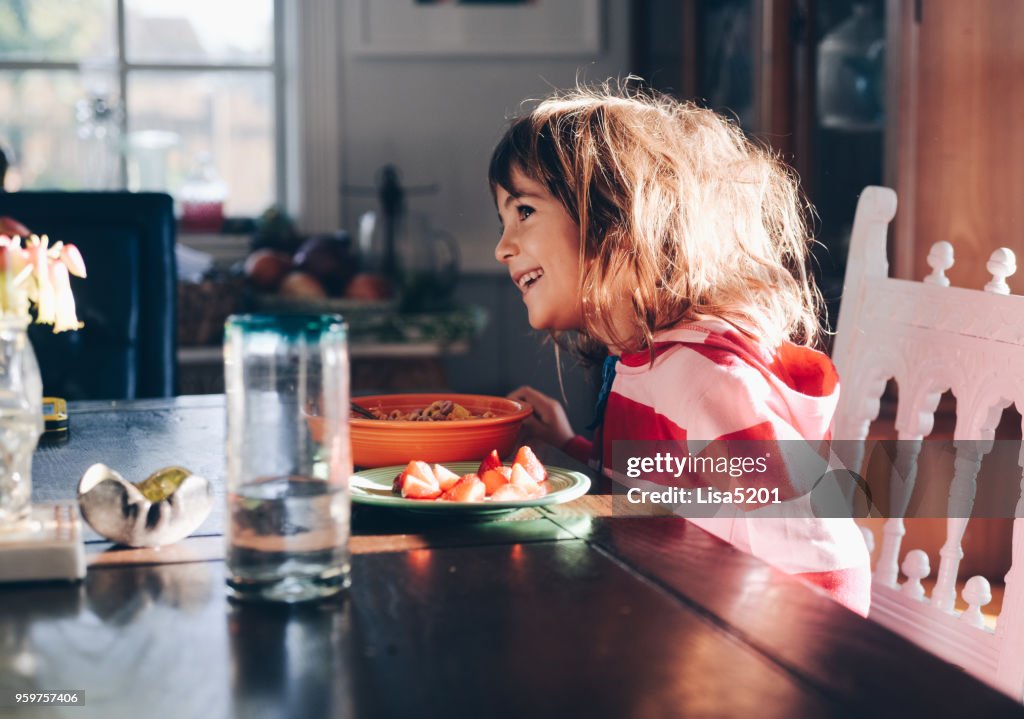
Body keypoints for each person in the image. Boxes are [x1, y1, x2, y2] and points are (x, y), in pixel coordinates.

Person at [491, 82, 870, 615]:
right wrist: (571, 447)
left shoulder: (706, 383)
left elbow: (822, 548)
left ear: (616, 221)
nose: (502, 246)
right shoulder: (643, 360)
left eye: (524, 211)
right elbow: (663, 497)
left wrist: (790, 672)